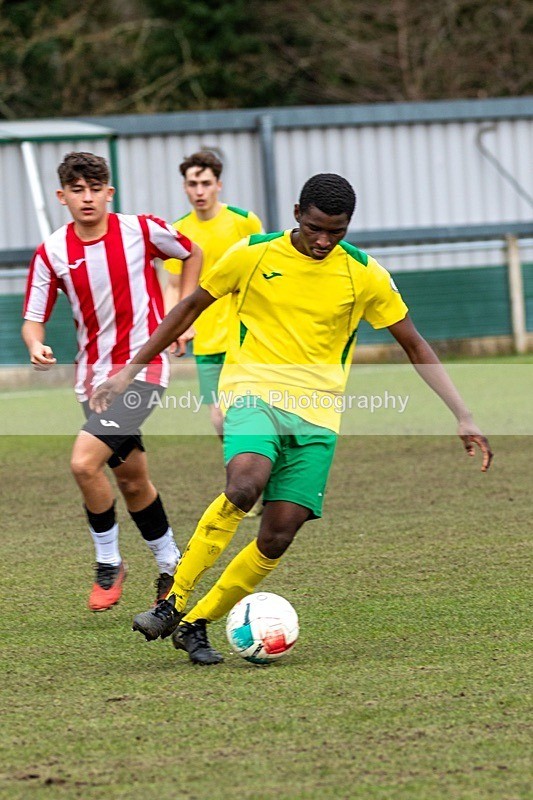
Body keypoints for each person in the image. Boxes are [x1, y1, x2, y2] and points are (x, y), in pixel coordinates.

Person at [91, 173, 493, 663]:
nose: (324, 240)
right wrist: (128, 372)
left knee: (278, 534)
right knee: (244, 485)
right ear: (298, 212)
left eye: (337, 231)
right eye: (316, 227)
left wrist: (463, 414)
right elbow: (188, 309)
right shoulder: (252, 253)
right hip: (252, 394)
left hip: (319, 417)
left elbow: (414, 343)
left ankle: (197, 624)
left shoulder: (363, 274)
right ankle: (173, 602)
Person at [22, 151, 202, 611]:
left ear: (109, 193)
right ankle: (171, 564)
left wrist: (183, 317)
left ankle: (109, 561)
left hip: (144, 368)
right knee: (133, 480)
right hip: (94, 380)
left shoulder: (141, 230)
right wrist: (35, 344)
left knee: (84, 463)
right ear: (62, 197)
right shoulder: (52, 252)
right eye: (77, 190)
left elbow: (192, 252)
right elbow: (33, 319)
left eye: (95, 188)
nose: (87, 198)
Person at [164, 150, 262, 439]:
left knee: (249, 409)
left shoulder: (245, 222)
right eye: (193, 184)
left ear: (218, 185)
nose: (199, 191)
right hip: (205, 340)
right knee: (219, 418)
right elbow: (172, 285)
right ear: (184, 187)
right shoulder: (179, 230)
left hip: (245, 335)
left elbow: (263, 273)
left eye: (206, 183)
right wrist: (176, 328)